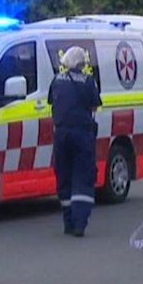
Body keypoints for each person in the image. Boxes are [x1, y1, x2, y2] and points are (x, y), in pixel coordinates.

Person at [47, 46, 102, 237]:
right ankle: (80, 223)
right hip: (82, 134)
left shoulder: (57, 80)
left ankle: (68, 222)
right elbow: (94, 104)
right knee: (83, 177)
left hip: (61, 134)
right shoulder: (88, 81)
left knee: (64, 176)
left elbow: (52, 103)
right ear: (81, 64)